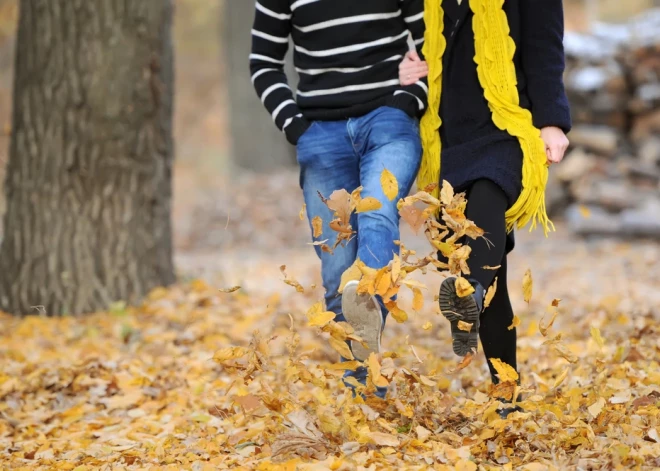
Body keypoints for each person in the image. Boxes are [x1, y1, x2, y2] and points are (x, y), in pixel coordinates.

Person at [250, 0, 428, 397]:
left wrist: (410, 98)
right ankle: (363, 389)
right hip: (321, 135)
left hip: (388, 120)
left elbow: (433, 42)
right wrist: (296, 127)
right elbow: (263, 63)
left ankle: (368, 311)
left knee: (377, 213)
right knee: (336, 272)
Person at [399, 0, 571, 409]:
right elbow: (402, 38)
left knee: (489, 200)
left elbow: (545, 49)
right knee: (492, 275)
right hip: (446, 136)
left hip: (507, 125)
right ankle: (506, 397)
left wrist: (552, 122)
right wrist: (404, 69)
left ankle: (465, 294)